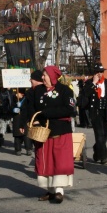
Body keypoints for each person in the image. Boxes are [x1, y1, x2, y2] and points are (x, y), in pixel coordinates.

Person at [20, 66, 76, 203]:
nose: (43, 78)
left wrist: (46, 113)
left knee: (59, 160)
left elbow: (70, 109)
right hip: (42, 132)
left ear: (52, 76)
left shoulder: (65, 90)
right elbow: (31, 106)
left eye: (45, 75)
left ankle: (59, 191)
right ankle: (49, 190)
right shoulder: (37, 90)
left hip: (60, 131)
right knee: (45, 160)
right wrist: (35, 119)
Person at [82, 64, 107, 165]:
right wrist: (93, 83)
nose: (99, 74)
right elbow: (85, 95)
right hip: (95, 111)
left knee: (106, 133)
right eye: (97, 72)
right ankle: (104, 158)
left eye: (101, 72)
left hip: (106, 111)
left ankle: (97, 149)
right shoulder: (89, 83)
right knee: (99, 135)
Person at [11, 88, 32, 156]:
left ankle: (28, 149)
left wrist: (21, 108)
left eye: (18, 93)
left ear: (22, 94)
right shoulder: (14, 99)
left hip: (24, 118)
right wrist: (14, 109)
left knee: (26, 135)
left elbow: (28, 108)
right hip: (16, 118)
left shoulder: (26, 99)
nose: (16, 94)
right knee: (17, 135)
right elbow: (10, 108)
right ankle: (18, 149)